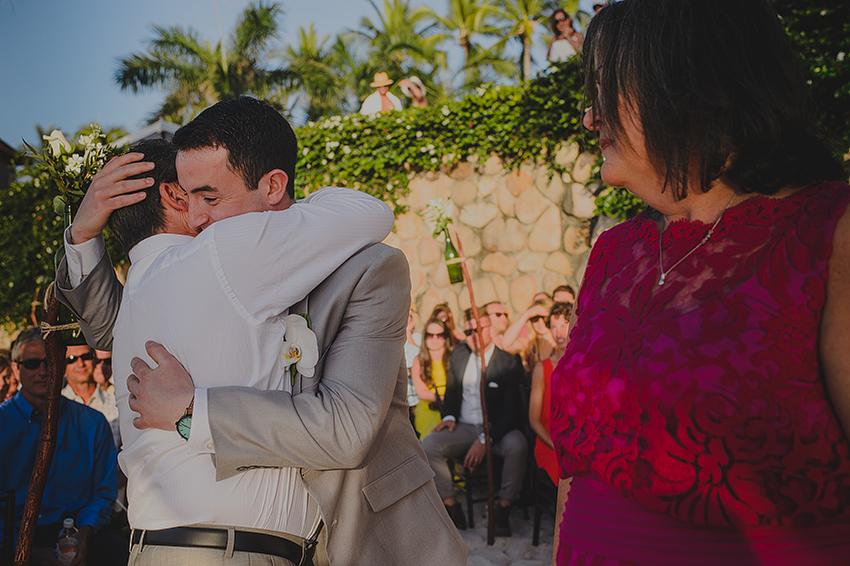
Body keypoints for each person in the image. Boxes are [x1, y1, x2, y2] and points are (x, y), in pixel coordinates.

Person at [55, 99, 467, 566]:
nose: (194, 217)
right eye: (187, 198)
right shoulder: (197, 267)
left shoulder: (367, 267)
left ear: (273, 186)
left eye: (209, 198)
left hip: (367, 538)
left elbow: (347, 426)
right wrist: (81, 237)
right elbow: (116, 325)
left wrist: (194, 411)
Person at [550, 0, 850, 564]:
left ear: (687, 88)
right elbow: (579, 471)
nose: (590, 118)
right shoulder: (614, 254)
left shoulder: (829, 236)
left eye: (608, 89)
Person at [0, 328, 122, 566]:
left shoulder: (92, 423)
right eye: (33, 363)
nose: (43, 371)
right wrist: (24, 550)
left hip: (77, 534)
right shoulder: (3, 424)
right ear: (16, 369)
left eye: (51, 362)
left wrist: (82, 536)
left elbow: (103, 493)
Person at [421, 308, 527, 537]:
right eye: (468, 330)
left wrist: (485, 439)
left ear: (490, 328)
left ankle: (503, 508)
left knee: (518, 444)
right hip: (464, 426)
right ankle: (451, 505)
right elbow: (451, 392)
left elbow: (513, 414)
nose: (473, 335)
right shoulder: (460, 355)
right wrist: (448, 417)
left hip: (497, 428)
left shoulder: (508, 362)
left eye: (479, 329)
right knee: (428, 444)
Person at [528, 302, 571, 485]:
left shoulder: (585, 362)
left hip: (578, 444)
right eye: (553, 327)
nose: (558, 333)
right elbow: (534, 419)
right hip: (550, 446)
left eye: (563, 326)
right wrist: (555, 446)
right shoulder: (542, 368)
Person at [62, 344, 120, 449]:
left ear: (94, 360)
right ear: (63, 367)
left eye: (85, 357)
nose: (80, 364)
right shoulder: (54, 407)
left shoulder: (116, 404)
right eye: (72, 359)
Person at [411, 316, 455, 440]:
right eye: (430, 335)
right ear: (425, 337)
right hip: (429, 411)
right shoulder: (418, 360)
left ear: (445, 337)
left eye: (439, 335)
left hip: (453, 410)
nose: (434, 339)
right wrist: (445, 399)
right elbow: (422, 392)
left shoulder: (454, 357)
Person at [501, 297, 555, 371]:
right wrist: (526, 315)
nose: (540, 322)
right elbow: (505, 344)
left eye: (544, 318)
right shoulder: (529, 344)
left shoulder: (561, 344)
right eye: (535, 318)